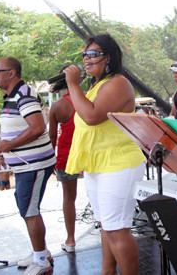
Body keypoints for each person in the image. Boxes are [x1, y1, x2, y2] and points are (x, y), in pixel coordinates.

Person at [64, 34, 146, 275]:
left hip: (119, 164)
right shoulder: (97, 86)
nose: (86, 59)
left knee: (117, 228)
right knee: (106, 226)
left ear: (108, 58)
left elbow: (91, 117)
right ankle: (107, 272)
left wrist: (72, 84)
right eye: (84, 54)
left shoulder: (119, 83)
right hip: (99, 166)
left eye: (93, 54)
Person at [0, 57, 56, 275]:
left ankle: (42, 263)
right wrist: (2, 147)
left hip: (34, 164)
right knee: (27, 208)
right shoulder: (11, 96)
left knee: (29, 210)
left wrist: (10, 145)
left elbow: (37, 127)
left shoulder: (24, 95)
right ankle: (41, 253)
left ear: (11, 73)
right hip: (24, 165)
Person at [48, 66, 81, 253]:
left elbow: (52, 138)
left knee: (69, 198)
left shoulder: (58, 106)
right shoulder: (89, 100)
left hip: (67, 157)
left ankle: (70, 240)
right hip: (91, 155)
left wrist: (52, 158)